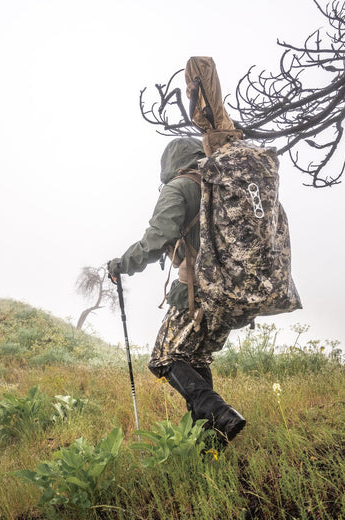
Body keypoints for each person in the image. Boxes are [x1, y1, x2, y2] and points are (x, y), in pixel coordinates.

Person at [108, 137, 246, 443]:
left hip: (196, 292)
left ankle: (221, 414)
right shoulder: (219, 186)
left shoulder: (180, 187)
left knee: (164, 358)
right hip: (232, 292)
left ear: (170, 164)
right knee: (195, 361)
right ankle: (209, 442)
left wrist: (121, 264)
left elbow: (157, 238)